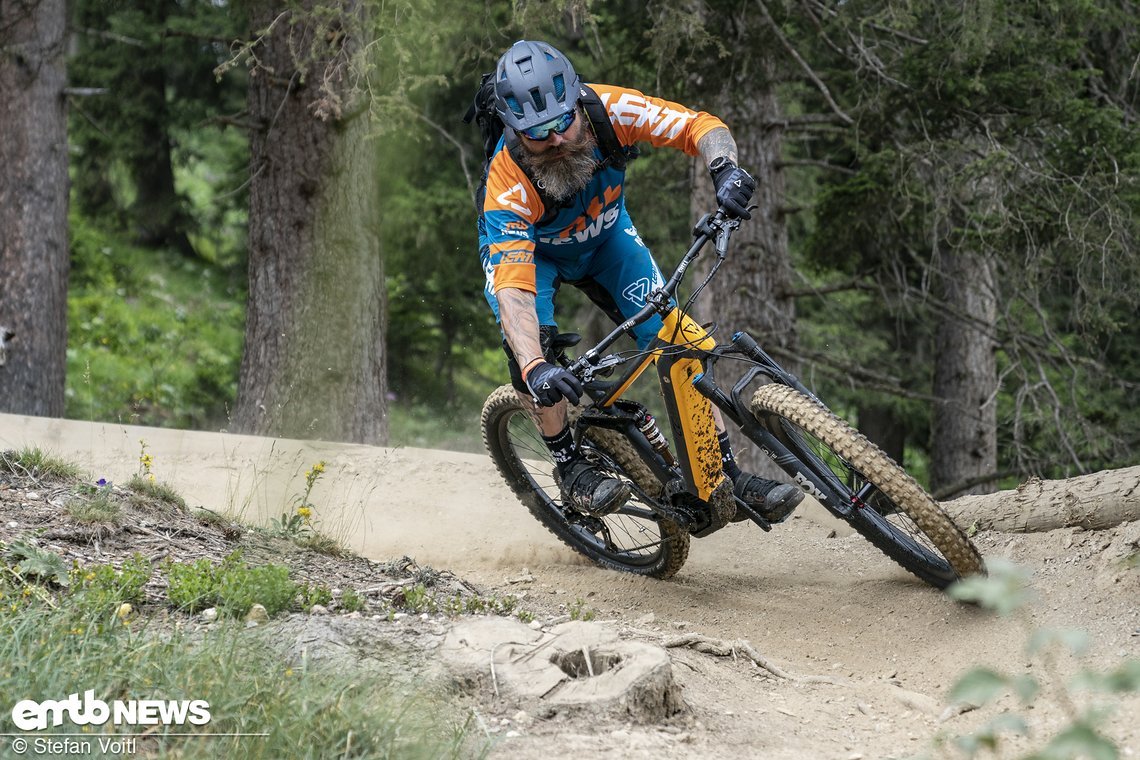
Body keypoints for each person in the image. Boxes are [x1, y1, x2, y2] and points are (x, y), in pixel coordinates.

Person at [478, 39, 803, 521]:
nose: (556, 140)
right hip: (534, 262)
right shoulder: (506, 186)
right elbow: (514, 295)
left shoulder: (610, 109)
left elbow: (699, 125)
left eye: (562, 122)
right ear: (513, 130)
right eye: (537, 133)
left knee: (678, 337)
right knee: (537, 357)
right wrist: (534, 368)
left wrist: (725, 169)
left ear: (577, 102)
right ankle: (569, 469)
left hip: (606, 241)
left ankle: (726, 478)